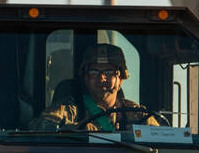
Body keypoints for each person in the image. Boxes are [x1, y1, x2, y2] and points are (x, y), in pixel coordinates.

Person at [33, 43, 161, 132]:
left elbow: (160, 140)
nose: (101, 79)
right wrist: (78, 130)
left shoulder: (138, 114)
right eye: (94, 72)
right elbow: (39, 130)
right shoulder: (68, 110)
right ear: (86, 78)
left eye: (108, 72)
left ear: (120, 79)